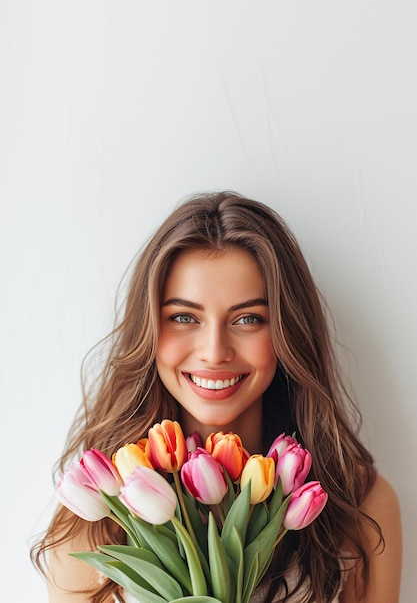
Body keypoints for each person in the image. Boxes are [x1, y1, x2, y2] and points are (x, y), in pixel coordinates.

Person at [31, 191, 402, 603]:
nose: (214, 350)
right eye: (184, 317)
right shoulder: (96, 520)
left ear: (286, 334)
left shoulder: (359, 506)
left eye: (248, 319)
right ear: (150, 332)